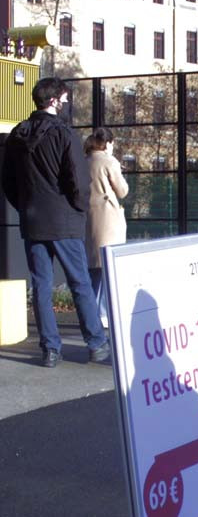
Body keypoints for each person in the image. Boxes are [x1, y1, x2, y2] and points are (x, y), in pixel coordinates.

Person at [1, 77, 109, 367]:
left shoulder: (17, 135)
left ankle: (50, 349)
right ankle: (96, 344)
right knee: (80, 283)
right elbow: (78, 179)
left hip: (33, 220)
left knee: (41, 286)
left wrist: (26, 206)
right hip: (65, 220)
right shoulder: (65, 134)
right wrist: (77, 208)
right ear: (53, 101)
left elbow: (8, 181)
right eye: (62, 98)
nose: (65, 102)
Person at [84, 128, 129, 325]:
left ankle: (91, 313)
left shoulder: (84, 160)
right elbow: (122, 190)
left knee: (94, 269)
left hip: (89, 218)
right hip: (108, 219)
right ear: (108, 143)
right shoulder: (109, 161)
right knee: (107, 269)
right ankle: (102, 314)